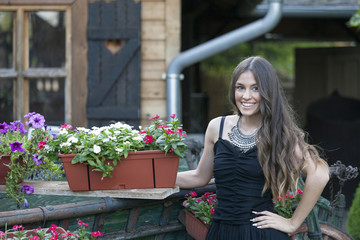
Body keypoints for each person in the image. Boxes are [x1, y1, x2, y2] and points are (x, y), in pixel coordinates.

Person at [175, 56, 329, 239]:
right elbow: (200, 176)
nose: (246, 96)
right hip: (220, 232)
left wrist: (292, 222)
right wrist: (154, 179)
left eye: (255, 88)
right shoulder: (217, 127)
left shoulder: (280, 133)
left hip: (260, 233)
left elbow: (320, 174)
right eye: (240, 87)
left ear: (268, 92)